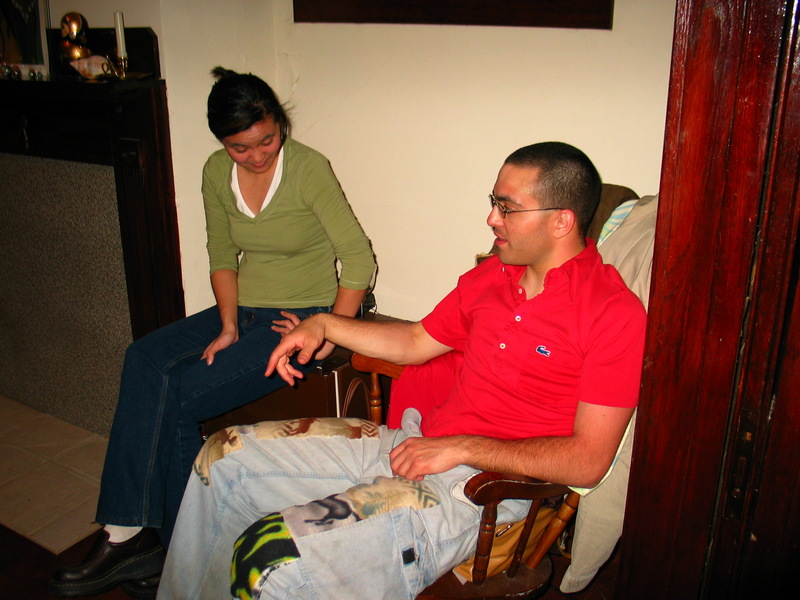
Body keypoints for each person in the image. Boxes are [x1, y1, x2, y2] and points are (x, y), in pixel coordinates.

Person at [156, 141, 646, 600]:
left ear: (561, 221)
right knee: (221, 459)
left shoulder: (612, 313)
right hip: (414, 445)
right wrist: (325, 323)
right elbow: (414, 342)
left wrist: (460, 448)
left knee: (271, 559)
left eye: (507, 207)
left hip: (482, 491)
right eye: (494, 202)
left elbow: (588, 461)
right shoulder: (490, 277)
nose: (492, 218)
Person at [49, 67, 376, 598]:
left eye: (267, 140)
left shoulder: (308, 168)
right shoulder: (214, 171)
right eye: (240, 147)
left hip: (297, 316)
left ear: (279, 123)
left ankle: (174, 548)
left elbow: (358, 258)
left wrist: (329, 334)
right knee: (143, 358)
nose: (257, 155)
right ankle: (127, 532)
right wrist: (226, 324)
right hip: (241, 309)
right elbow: (222, 253)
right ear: (222, 142)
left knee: (180, 397)